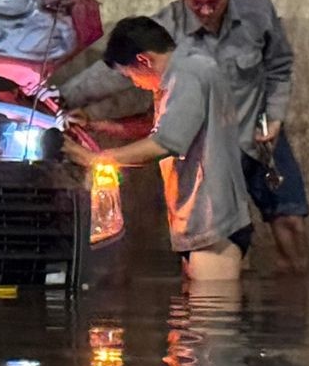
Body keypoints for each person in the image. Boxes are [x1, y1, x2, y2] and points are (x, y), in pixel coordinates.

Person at [58, 0, 309, 273]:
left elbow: (279, 66)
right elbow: (117, 72)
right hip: (207, 155)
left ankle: (290, 305)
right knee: (215, 248)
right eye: (196, 3)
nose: (205, 11)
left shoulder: (257, 14)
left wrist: (274, 116)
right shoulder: (165, 31)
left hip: (257, 138)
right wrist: (63, 99)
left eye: (214, 1)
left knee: (286, 222)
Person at [65, 17, 252, 281]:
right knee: (195, 316)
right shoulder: (182, 73)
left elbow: (164, 143)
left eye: (130, 75)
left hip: (212, 221)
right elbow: (155, 126)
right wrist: (98, 125)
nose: (134, 82)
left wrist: (94, 158)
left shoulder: (188, 75)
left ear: (143, 61)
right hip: (199, 219)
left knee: (209, 314)